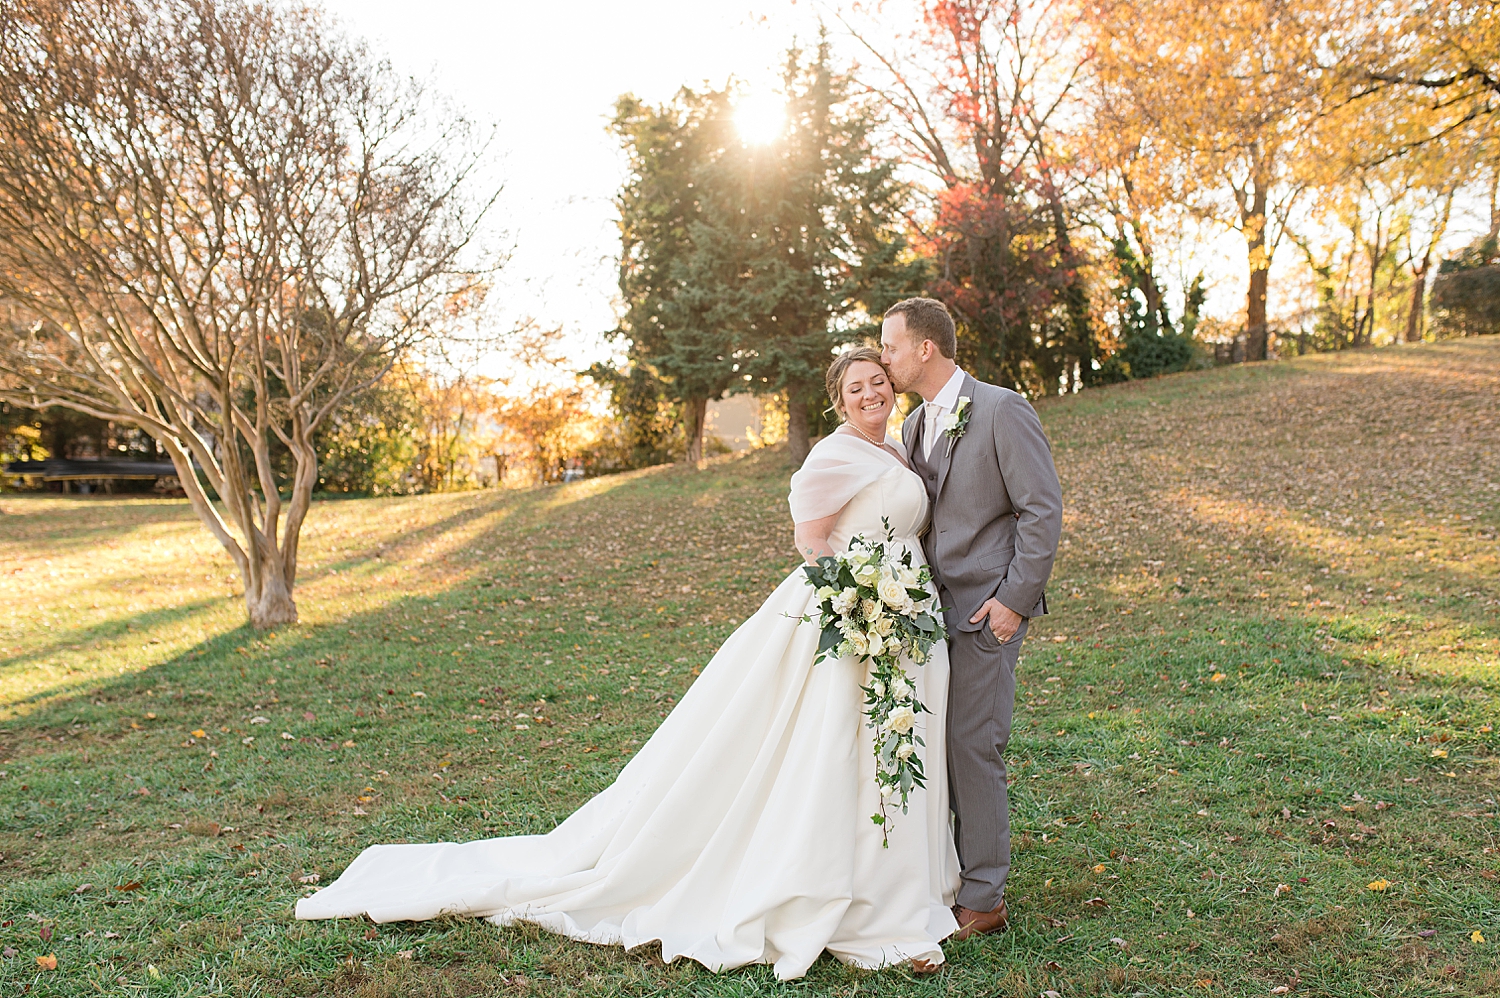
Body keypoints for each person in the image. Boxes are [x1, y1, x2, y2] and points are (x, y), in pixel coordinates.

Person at [297, 346, 960, 980]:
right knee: (833, 750)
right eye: (855, 388)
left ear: (892, 388)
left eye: (877, 382)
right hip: (848, 616)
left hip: (907, 618)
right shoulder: (834, 454)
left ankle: (898, 879)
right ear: (837, 402)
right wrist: (857, 603)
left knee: (889, 745)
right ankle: (832, 887)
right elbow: (811, 541)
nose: (870, 393)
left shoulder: (897, 446)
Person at [881, 297, 1063, 941]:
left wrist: (1014, 601)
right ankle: (951, 869)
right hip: (929, 615)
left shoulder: (1000, 409)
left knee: (973, 746)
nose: (885, 358)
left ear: (924, 348)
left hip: (987, 609)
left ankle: (985, 898)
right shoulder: (910, 427)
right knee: (937, 744)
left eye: (891, 347)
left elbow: (1041, 509)